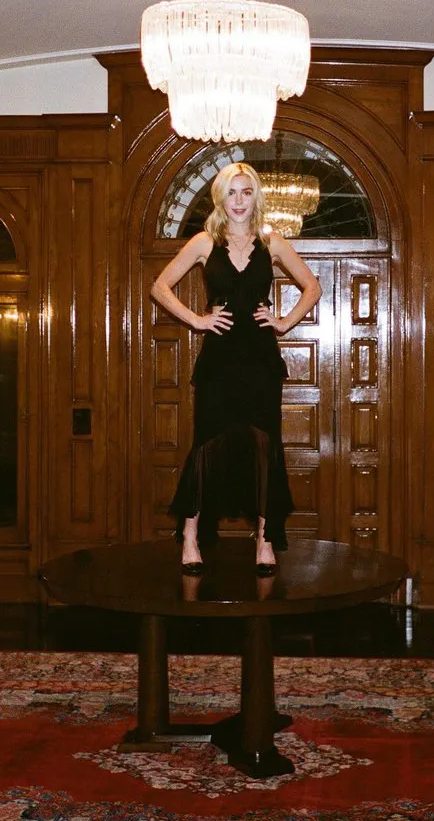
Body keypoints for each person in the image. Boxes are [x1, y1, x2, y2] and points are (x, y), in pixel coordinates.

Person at [150, 162, 322, 575]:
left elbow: (312, 287)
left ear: (255, 196)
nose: (239, 200)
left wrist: (284, 322)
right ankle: (190, 536)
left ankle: (265, 540)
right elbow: (159, 286)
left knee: (265, 444)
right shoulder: (204, 241)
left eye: (246, 192)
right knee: (207, 444)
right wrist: (197, 320)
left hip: (260, 358)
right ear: (220, 198)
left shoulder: (272, 241)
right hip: (220, 358)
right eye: (232, 192)